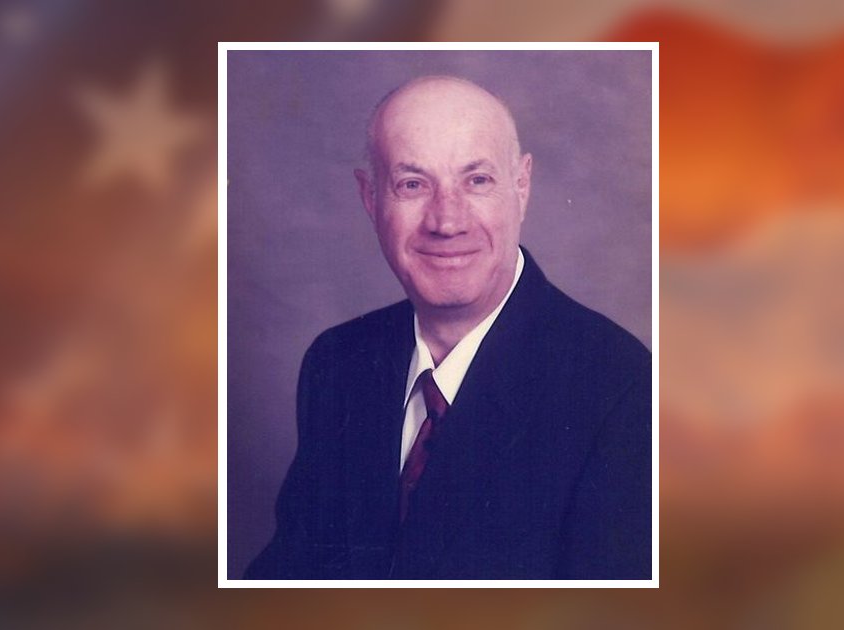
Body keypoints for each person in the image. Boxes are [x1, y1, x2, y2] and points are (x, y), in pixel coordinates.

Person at [244, 75, 651, 580]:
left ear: (521, 187)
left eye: (476, 180)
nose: (447, 221)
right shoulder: (337, 363)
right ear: (371, 198)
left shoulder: (621, 388)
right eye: (412, 184)